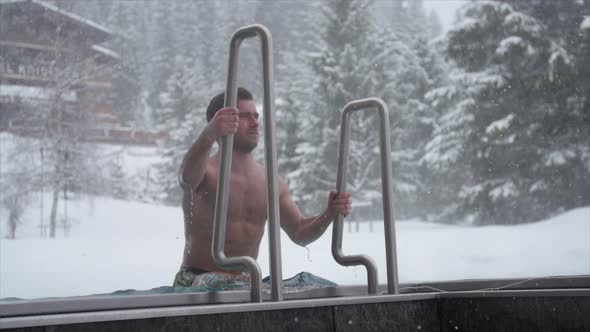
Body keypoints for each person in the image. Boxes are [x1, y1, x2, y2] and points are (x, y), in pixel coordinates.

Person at [173, 87, 352, 287]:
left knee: (322, 288)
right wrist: (209, 133)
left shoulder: (269, 181)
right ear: (222, 122)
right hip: (196, 279)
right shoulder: (205, 171)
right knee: (225, 285)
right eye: (244, 116)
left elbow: (300, 232)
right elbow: (186, 179)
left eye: (256, 116)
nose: (255, 122)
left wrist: (329, 213)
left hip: (245, 283)